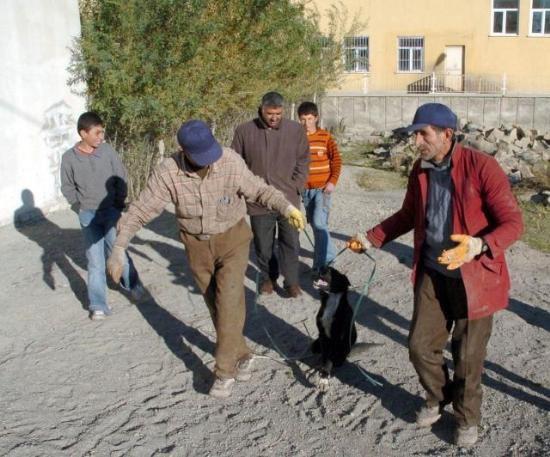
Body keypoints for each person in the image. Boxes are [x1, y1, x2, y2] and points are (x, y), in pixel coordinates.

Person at [347, 103, 523, 447]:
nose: (417, 141)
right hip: (432, 271)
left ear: (447, 134)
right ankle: (438, 396)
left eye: (423, 133)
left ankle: (467, 417)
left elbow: (514, 223)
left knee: (468, 357)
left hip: (474, 278)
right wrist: (370, 238)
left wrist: (478, 245)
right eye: (415, 133)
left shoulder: (482, 167)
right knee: (419, 346)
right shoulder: (421, 169)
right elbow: (408, 214)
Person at [106, 120, 306, 399]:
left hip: (233, 239)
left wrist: (286, 207)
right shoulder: (168, 172)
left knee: (228, 298)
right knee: (216, 304)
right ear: (182, 150)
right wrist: (118, 249)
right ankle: (242, 354)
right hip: (196, 246)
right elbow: (140, 211)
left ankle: (223, 372)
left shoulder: (230, 161)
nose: (208, 161)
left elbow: (258, 189)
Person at [60, 111, 143, 321]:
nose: (101, 137)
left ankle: (132, 284)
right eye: (96, 133)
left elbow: (120, 176)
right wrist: (77, 206)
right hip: (88, 217)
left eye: (102, 132)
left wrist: (118, 203)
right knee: (95, 262)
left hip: (111, 213)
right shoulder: (69, 158)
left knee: (118, 251)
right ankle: (98, 304)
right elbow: (67, 187)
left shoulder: (106, 151)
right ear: (83, 133)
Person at [231, 91, 310, 297]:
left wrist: (296, 185)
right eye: (269, 113)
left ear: (283, 111)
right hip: (258, 202)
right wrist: (245, 190)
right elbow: (235, 164)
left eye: (278, 113)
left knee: (291, 242)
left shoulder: (295, 130)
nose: (274, 117)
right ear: (261, 109)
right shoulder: (244, 131)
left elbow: (303, 160)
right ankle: (268, 278)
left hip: (288, 200)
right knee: (263, 246)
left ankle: (292, 282)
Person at [297, 101, 342, 281]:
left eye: (309, 118)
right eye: (302, 119)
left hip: (322, 189)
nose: (306, 122)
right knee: (315, 225)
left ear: (316, 118)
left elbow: (337, 160)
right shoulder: (296, 139)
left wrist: (332, 182)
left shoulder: (325, 137)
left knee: (319, 223)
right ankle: (330, 253)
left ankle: (320, 265)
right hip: (305, 190)